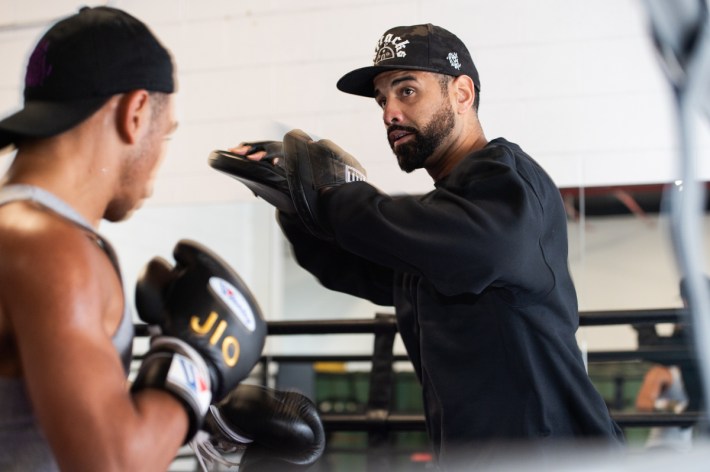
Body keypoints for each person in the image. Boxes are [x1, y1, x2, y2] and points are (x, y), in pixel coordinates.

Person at [225, 23, 625, 468]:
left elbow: (477, 246)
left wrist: (333, 195)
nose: (389, 113)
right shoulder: (443, 222)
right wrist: (295, 206)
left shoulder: (507, 181)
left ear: (461, 93)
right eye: (382, 99)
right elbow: (359, 265)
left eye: (407, 91)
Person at [0, 7, 324, 472]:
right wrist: (194, 364)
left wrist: (184, 416)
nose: (160, 157)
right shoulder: (50, 248)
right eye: (166, 134)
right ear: (134, 114)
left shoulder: (22, 229)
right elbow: (111, 465)